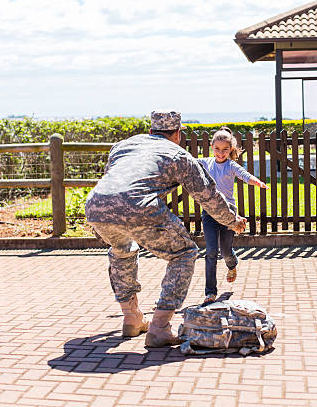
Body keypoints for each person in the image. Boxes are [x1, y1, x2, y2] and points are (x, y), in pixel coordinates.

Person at [85, 110, 247, 347]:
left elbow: (114, 178)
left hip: (97, 205)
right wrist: (232, 221)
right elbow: (208, 196)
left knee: (122, 249)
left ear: (151, 132)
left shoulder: (123, 145)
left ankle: (131, 318)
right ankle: (159, 327)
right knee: (184, 253)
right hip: (138, 205)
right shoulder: (179, 155)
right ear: (178, 134)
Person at [197, 127, 268, 304]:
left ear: (231, 150)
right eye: (217, 149)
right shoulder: (205, 163)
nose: (221, 153)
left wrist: (257, 182)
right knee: (211, 252)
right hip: (210, 213)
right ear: (211, 147)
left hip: (229, 215)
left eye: (225, 149)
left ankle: (232, 264)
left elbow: (245, 176)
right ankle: (210, 292)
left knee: (225, 251)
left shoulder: (231, 165)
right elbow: (187, 163)